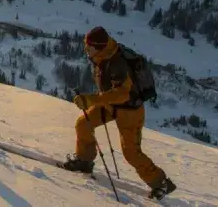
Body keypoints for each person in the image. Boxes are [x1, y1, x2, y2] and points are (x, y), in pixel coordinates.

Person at [62, 26, 176, 199]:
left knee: (131, 152)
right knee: (83, 124)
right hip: (110, 105)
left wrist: (92, 99)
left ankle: (161, 183)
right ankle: (84, 161)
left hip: (130, 111)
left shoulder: (117, 63)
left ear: (99, 46)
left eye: (89, 46)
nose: (86, 49)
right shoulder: (102, 56)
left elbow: (122, 94)